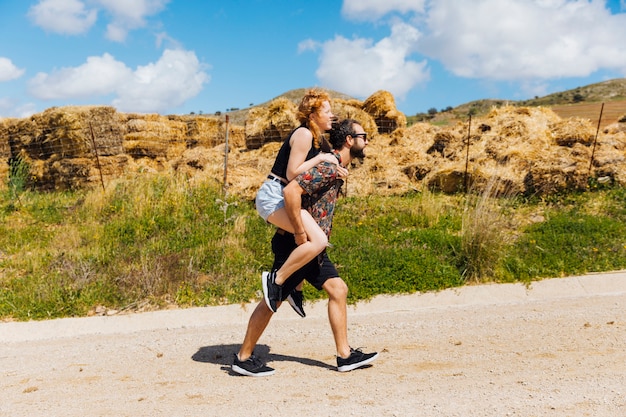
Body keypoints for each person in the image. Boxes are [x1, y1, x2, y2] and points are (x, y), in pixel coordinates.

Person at [232, 118, 378, 376]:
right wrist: (300, 233)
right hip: (297, 244)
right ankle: (243, 357)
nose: (367, 141)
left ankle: (344, 355)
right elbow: (291, 192)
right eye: (363, 136)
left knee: (338, 289)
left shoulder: (335, 166)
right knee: (273, 299)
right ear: (348, 140)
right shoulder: (328, 166)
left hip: (311, 244)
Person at [255, 88, 347, 317]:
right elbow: (292, 171)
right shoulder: (305, 134)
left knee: (310, 239)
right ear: (313, 114)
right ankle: (275, 280)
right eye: (326, 110)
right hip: (274, 194)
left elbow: (332, 156)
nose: (331, 115)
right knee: (318, 240)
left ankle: (295, 290)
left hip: (281, 194)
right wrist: (321, 158)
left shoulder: (317, 137)